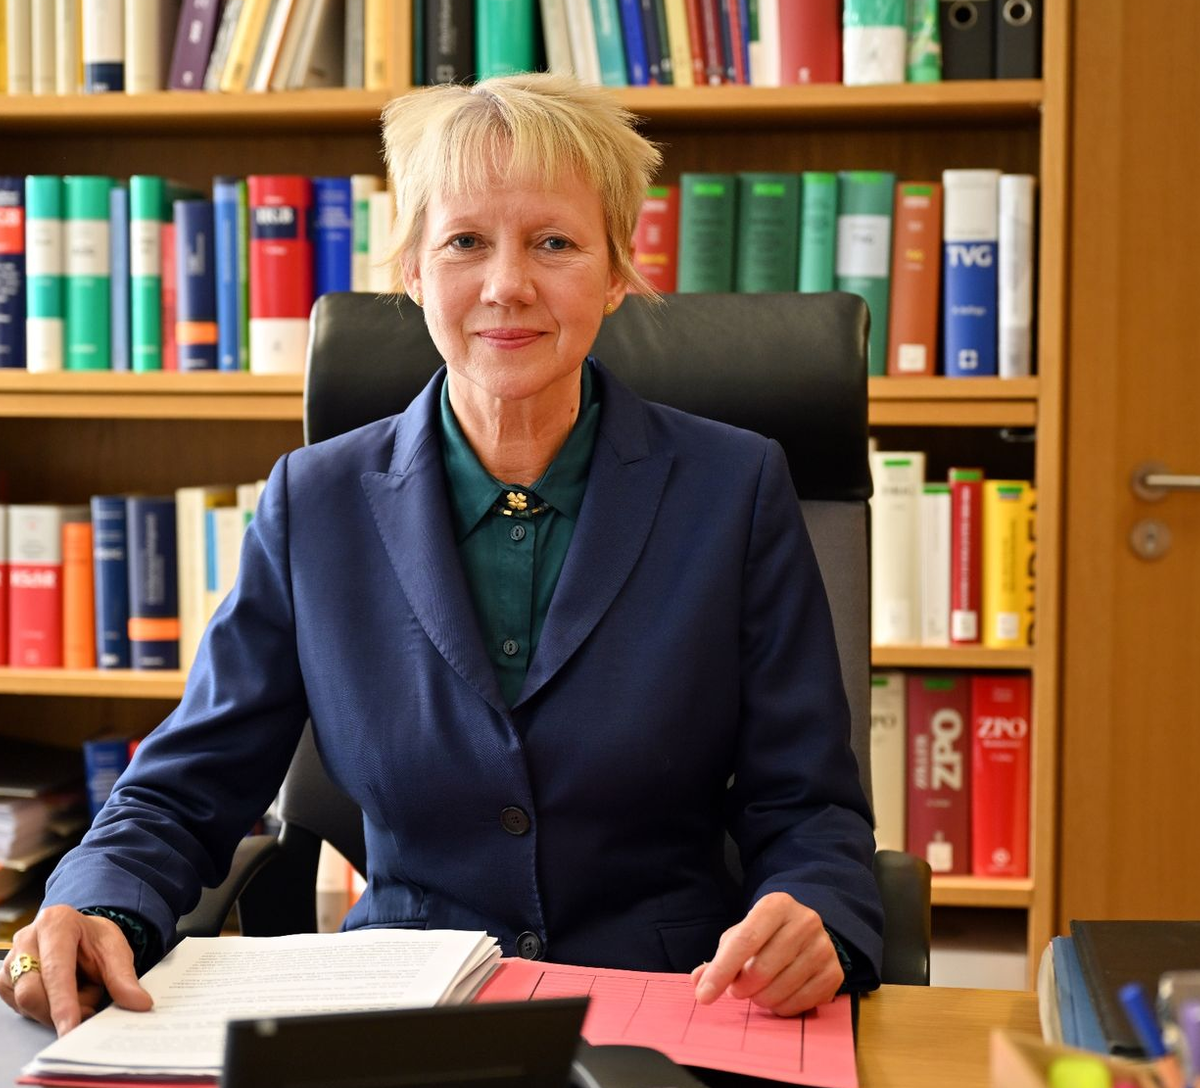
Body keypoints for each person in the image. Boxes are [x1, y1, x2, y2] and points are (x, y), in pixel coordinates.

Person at [2, 73, 882, 1037]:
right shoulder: (315, 504)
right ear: (414, 269)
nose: (507, 284)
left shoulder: (736, 489)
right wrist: (99, 904)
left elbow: (809, 806)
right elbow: (184, 783)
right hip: (399, 1010)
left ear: (618, 271)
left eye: (555, 242)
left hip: (678, 1009)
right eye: (465, 241)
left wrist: (820, 917)